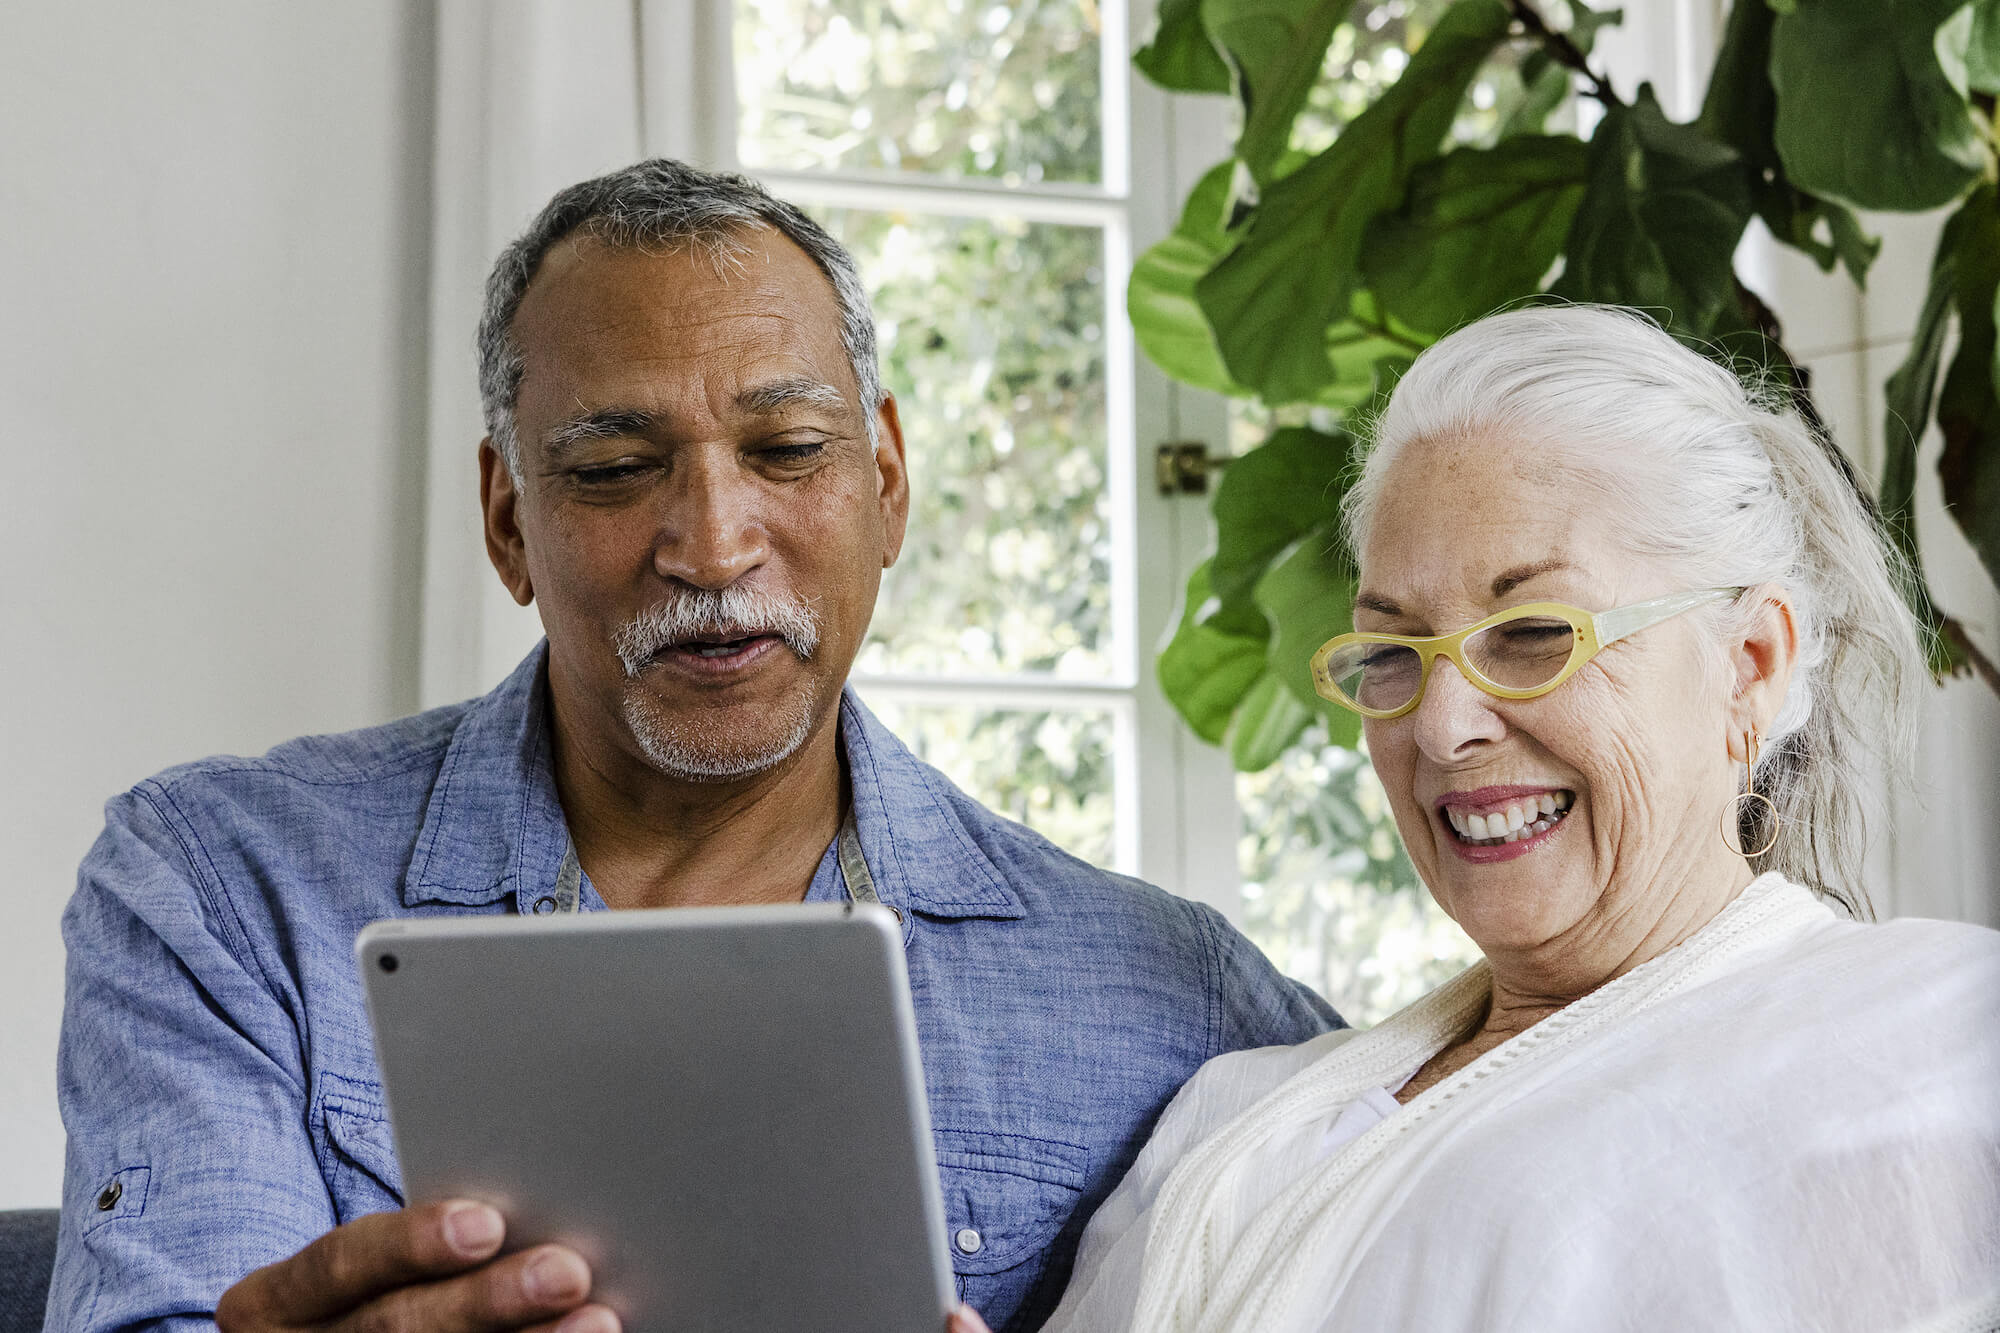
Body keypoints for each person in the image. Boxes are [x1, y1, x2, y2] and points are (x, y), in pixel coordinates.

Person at [45, 159, 1339, 1333]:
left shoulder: (1177, 997)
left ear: (887, 484)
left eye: (786, 450)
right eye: (613, 468)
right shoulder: (221, 889)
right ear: (507, 524)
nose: (715, 547)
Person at [970, 305, 2000, 1333]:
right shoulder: (1231, 1107)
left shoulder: (1933, 1042)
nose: (1443, 724)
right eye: (1392, 652)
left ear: (1747, 666)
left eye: (1532, 633)